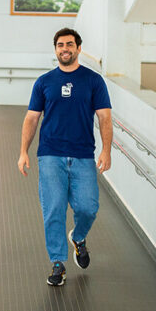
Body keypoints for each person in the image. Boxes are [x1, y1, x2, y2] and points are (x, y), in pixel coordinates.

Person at [17, 28, 113, 286]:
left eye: (69, 44)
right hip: (50, 154)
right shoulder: (44, 82)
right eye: (60, 45)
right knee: (54, 210)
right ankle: (58, 262)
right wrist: (23, 151)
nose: (64, 49)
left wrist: (106, 149)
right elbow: (32, 118)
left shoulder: (93, 81)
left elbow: (104, 117)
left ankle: (78, 238)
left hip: (83, 155)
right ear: (56, 49)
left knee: (87, 207)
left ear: (78, 48)